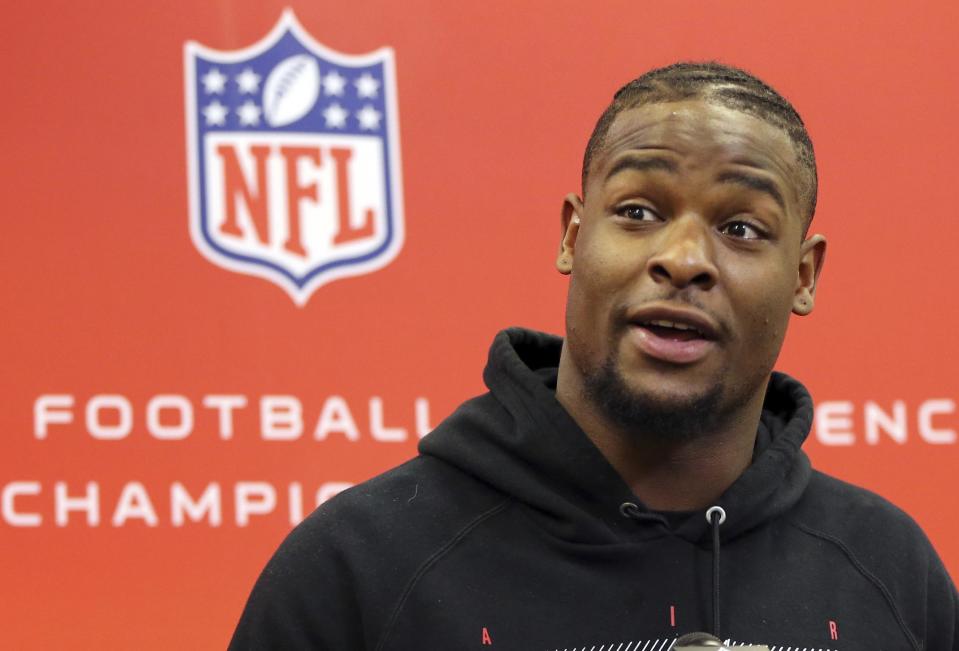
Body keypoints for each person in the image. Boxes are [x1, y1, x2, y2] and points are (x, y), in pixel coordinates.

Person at [229, 62, 958, 650]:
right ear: (573, 236)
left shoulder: (891, 569)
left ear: (802, 276)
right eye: (638, 212)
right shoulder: (357, 567)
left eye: (739, 227)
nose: (682, 259)